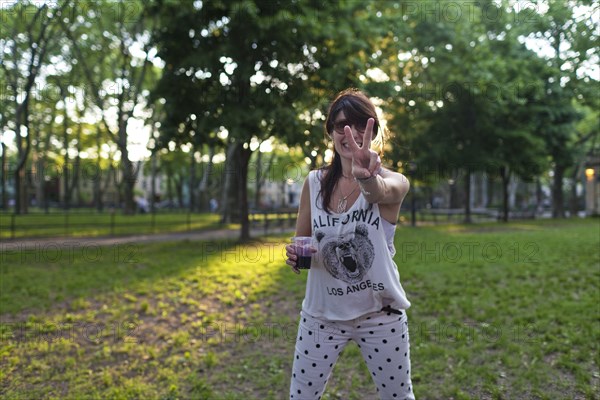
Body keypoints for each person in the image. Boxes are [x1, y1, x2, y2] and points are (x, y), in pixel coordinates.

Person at [285, 88, 414, 399]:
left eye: (359, 125)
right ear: (330, 132)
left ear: (372, 131)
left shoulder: (394, 180)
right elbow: (302, 239)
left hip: (380, 314)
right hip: (321, 316)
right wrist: (296, 255)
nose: (350, 133)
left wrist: (367, 177)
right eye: (341, 125)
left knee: (398, 397)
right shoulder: (314, 183)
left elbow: (380, 193)